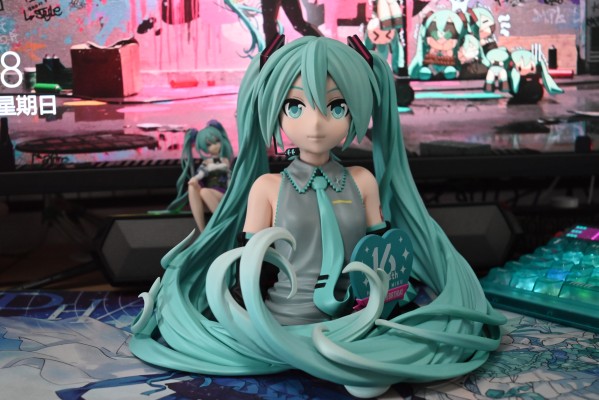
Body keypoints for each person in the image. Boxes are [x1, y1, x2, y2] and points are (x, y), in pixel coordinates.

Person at [130, 36, 506, 398]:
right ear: (275, 110)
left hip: (357, 319)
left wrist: (393, 306)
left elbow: (382, 252)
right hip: (283, 319)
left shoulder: (361, 181)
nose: (315, 125)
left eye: (336, 107)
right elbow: (253, 269)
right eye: (295, 106)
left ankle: (353, 359)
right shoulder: (267, 187)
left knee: (376, 373)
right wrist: (243, 321)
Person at [165, 120, 233, 231]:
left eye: (216, 141)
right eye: (209, 144)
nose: (214, 146)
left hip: (223, 193)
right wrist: (194, 179)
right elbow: (201, 174)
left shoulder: (225, 160)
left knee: (204, 191)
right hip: (209, 194)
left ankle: (224, 225)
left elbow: (229, 176)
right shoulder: (206, 163)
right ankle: (202, 231)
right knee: (193, 187)